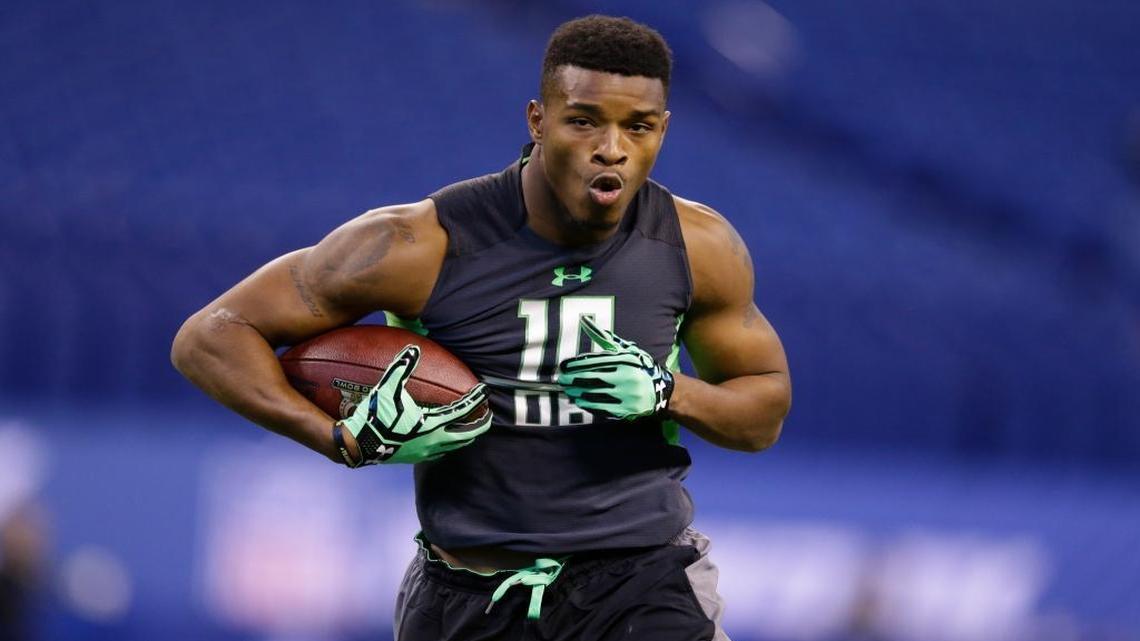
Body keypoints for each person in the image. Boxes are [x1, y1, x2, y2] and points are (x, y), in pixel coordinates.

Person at [172, 14, 790, 641]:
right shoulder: (418, 243)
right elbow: (211, 336)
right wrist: (336, 438)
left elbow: (763, 411)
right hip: (467, 594)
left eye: (638, 126)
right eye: (583, 120)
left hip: (640, 585)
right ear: (537, 120)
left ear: (662, 130)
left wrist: (669, 391)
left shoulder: (697, 246)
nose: (612, 148)